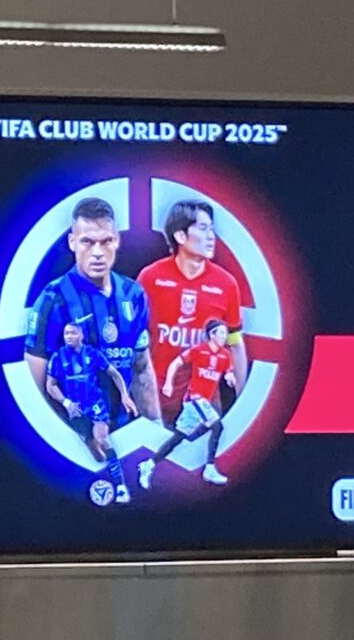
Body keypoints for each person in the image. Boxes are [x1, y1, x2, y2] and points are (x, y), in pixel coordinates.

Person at [25, 197, 162, 428]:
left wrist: (156, 429)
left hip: (126, 433)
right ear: (72, 242)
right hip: (74, 435)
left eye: (106, 241)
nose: (98, 252)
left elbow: (141, 369)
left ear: (116, 240)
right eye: (87, 242)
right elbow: (35, 389)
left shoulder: (134, 294)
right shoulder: (53, 299)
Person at [137, 200, 246, 424]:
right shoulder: (150, 278)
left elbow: (235, 344)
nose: (211, 237)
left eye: (212, 229)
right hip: (155, 403)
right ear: (180, 236)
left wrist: (242, 403)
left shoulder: (226, 284)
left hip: (204, 404)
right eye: (203, 228)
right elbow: (133, 341)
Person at [46, 322, 139, 503]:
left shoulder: (92, 353)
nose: (68, 337)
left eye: (73, 333)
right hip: (75, 409)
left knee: (102, 438)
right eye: (66, 334)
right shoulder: (58, 357)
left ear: (81, 335)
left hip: (95, 404)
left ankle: (121, 487)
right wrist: (66, 402)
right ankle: (99, 480)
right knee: (97, 456)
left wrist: (124, 396)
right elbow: (50, 385)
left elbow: (114, 374)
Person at [138, 319, 236, 488]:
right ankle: (209, 468)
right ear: (212, 334)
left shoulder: (225, 355)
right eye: (221, 333)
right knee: (217, 426)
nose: (224, 336)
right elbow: (176, 363)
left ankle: (149, 464)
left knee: (179, 437)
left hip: (203, 403)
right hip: (194, 398)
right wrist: (168, 383)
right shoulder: (199, 350)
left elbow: (228, 372)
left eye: (225, 333)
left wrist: (230, 378)